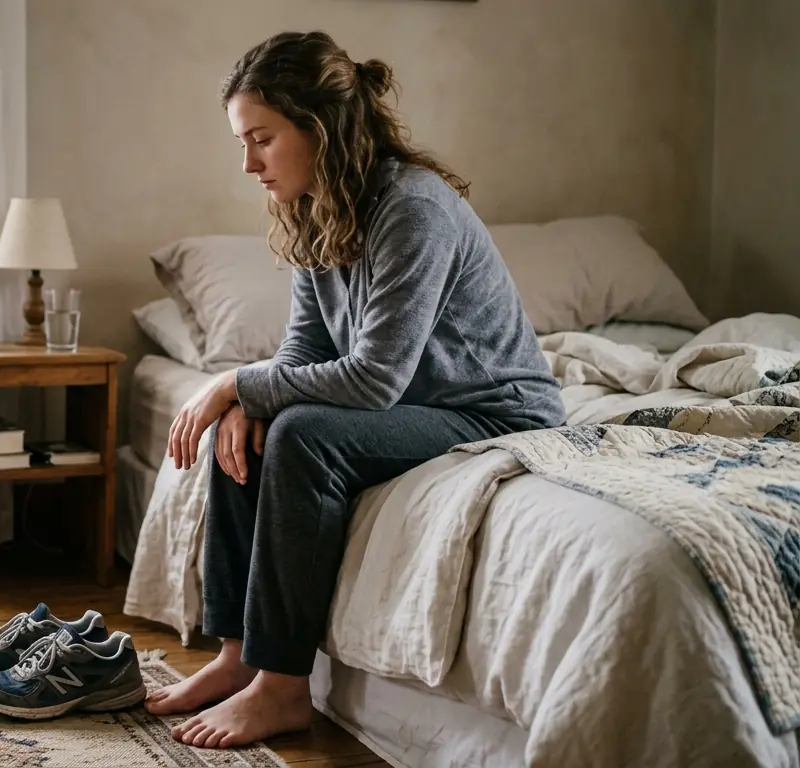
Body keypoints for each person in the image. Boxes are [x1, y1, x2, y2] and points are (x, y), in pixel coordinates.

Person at [143, 31, 567, 749]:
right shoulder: (315, 205)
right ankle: (237, 656)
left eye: (262, 139)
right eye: (243, 142)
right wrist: (247, 401)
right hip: (417, 404)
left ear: (320, 127)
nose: (248, 164)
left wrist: (234, 382)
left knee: (301, 433)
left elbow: (373, 378)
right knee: (249, 425)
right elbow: (307, 351)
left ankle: (282, 688)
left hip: (493, 411)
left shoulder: (413, 209)